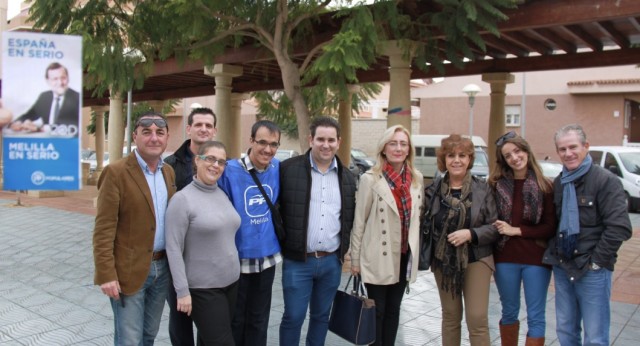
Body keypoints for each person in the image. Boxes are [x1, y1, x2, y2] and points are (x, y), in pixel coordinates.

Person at [543, 124, 632, 346]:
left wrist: (596, 262)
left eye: (573, 147)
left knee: (595, 336)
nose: (568, 153)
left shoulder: (605, 180)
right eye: (562, 149)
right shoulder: (561, 182)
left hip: (592, 271)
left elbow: (620, 227)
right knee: (565, 330)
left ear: (586, 146)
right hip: (564, 267)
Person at [93, 111, 176, 345]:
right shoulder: (116, 172)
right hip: (128, 271)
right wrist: (106, 275)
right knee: (129, 339)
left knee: (148, 335)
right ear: (135, 136)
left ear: (167, 137)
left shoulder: (168, 171)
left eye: (160, 132)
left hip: (162, 269)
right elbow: (103, 230)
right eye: (146, 132)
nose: (154, 138)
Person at [278, 116, 357, 346]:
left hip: (331, 262)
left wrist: (344, 254)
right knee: (293, 317)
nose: (326, 144)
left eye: (331, 140)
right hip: (297, 261)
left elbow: (348, 218)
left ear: (338, 142)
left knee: (321, 317)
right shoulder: (287, 170)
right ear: (310, 139)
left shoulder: (348, 178)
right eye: (320, 139)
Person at [350, 125, 424, 346]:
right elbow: (359, 222)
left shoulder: (416, 179)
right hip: (377, 256)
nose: (398, 148)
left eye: (403, 143)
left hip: (403, 256)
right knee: (377, 311)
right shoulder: (370, 179)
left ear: (409, 148)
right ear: (384, 148)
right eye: (393, 143)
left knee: (393, 310)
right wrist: (355, 259)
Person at [422, 134, 499, 346]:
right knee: (450, 318)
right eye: (451, 155)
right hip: (444, 263)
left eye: (462, 155)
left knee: (477, 319)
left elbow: (495, 227)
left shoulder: (483, 189)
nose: (457, 160)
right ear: (443, 160)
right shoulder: (432, 191)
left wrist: (471, 234)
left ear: (469, 159)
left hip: (477, 259)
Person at [165, 140, 241, 346]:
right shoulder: (182, 200)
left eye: (221, 162)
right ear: (197, 160)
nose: (216, 165)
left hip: (231, 283)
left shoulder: (222, 193)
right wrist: (182, 292)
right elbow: (173, 248)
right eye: (210, 159)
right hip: (203, 289)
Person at [488, 132, 557, 346]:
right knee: (509, 311)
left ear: (526, 151)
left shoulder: (546, 186)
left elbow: (549, 227)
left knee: (536, 315)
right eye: (508, 155)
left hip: (536, 260)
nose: (514, 157)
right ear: (504, 160)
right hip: (505, 258)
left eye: (517, 151)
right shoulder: (496, 185)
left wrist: (515, 230)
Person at [218, 120, 283, 346]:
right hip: (237, 259)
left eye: (274, 144)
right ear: (251, 141)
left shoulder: (277, 169)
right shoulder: (229, 170)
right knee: (235, 320)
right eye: (262, 142)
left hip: (267, 258)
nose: (268, 149)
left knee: (259, 320)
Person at [163, 107, 217, 346]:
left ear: (214, 130)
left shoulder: (221, 165)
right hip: (177, 257)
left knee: (209, 324)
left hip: (208, 260)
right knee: (180, 322)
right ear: (189, 128)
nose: (203, 129)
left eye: (208, 125)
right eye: (199, 124)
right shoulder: (169, 166)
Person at [9, 62, 80, 134]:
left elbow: (75, 125)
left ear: (68, 78)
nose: (60, 82)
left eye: (63, 78)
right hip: (46, 142)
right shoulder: (44, 97)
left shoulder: (77, 98)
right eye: (55, 79)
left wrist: (39, 128)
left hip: (68, 143)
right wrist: (18, 123)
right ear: (48, 81)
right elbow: (29, 115)